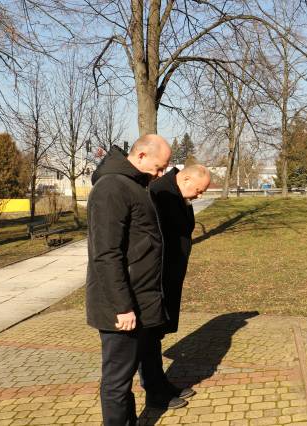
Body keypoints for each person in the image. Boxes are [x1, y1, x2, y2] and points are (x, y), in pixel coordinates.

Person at [86, 135, 173, 426]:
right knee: (117, 381)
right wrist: (122, 306)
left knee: (125, 375)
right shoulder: (111, 187)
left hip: (138, 299)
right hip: (121, 306)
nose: (161, 175)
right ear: (142, 156)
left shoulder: (134, 185)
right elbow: (106, 253)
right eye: (159, 168)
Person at [138, 164, 211, 402]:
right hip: (156, 277)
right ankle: (154, 390)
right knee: (149, 335)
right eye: (199, 190)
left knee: (156, 334)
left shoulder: (175, 192)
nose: (199, 196)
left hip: (168, 275)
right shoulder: (161, 192)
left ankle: (160, 383)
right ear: (186, 178)